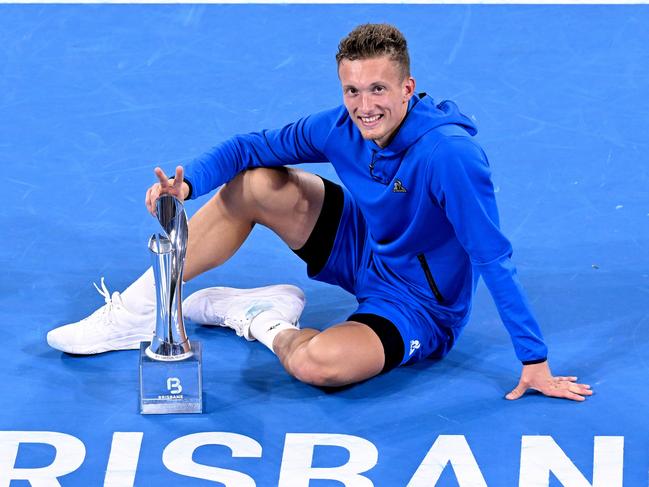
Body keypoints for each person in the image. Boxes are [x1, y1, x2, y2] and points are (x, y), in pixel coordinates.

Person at [48, 23, 592, 401]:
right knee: (258, 183)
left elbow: (492, 257)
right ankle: (142, 307)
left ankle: (258, 317)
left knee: (315, 365)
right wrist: (187, 183)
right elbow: (248, 149)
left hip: (418, 306)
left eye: (378, 89)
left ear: (408, 88)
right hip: (363, 247)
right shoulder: (343, 125)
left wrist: (534, 360)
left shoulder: (449, 155)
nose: (364, 106)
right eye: (352, 90)